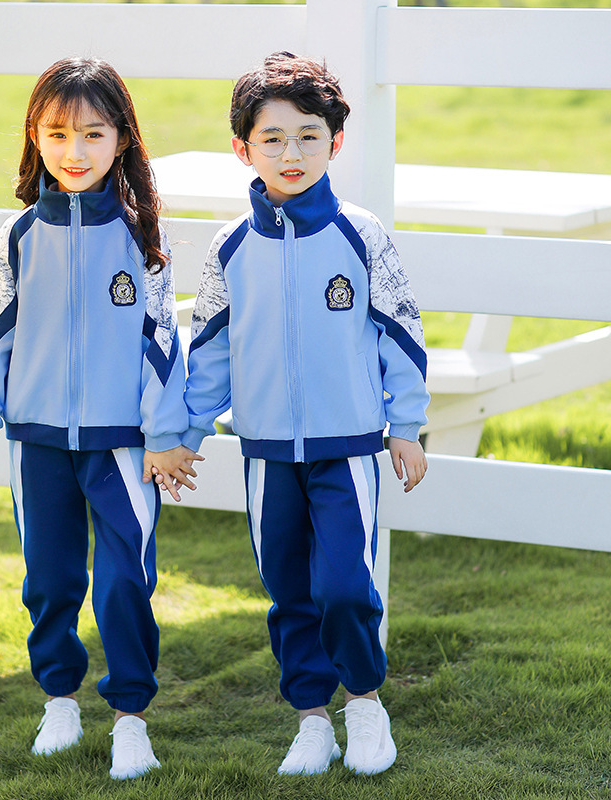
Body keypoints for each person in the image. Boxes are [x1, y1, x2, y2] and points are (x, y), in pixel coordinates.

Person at [181, 52, 430, 777]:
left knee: (345, 587)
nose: (291, 154)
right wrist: (186, 433)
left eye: (308, 137)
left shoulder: (361, 234)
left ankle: (366, 704)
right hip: (265, 453)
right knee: (289, 589)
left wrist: (405, 426)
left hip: (346, 447)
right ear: (243, 149)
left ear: (335, 142)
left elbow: (401, 333)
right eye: (273, 139)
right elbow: (210, 352)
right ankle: (311, 720)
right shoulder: (230, 247)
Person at [0, 56, 198, 779]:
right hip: (37, 443)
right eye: (58, 134)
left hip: (123, 447)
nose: (75, 151)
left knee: (124, 580)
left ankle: (130, 718)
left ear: (121, 139)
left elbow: (163, 345)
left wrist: (164, 435)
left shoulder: (142, 238)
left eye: (93, 134)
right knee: (50, 580)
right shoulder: (17, 236)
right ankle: (59, 700)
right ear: (35, 136)